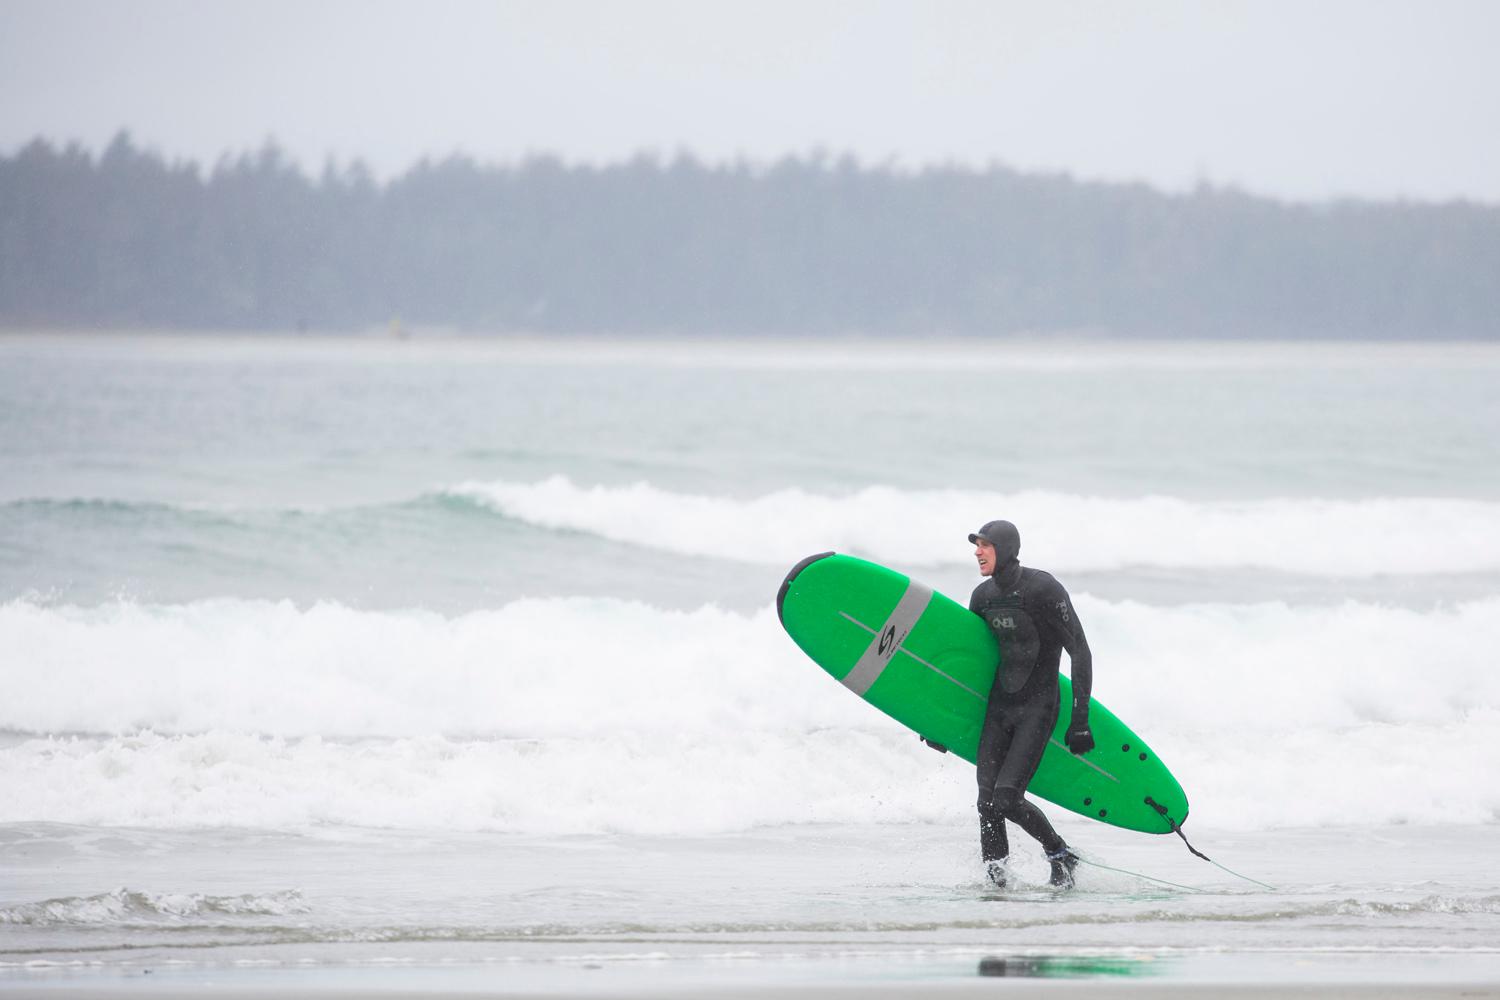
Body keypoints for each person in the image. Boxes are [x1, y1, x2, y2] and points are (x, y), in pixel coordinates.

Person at [958, 519, 1094, 889]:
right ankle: (996, 883)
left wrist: (1080, 719)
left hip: (1038, 706)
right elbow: (970, 665)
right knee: (986, 803)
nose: (977, 552)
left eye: (985, 545)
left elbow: (1079, 650)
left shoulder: (1042, 588)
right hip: (999, 708)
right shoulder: (982, 597)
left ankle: (1061, 855)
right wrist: (940, 725)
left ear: (1006, 549)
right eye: (976, 545)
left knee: (1007, 798)